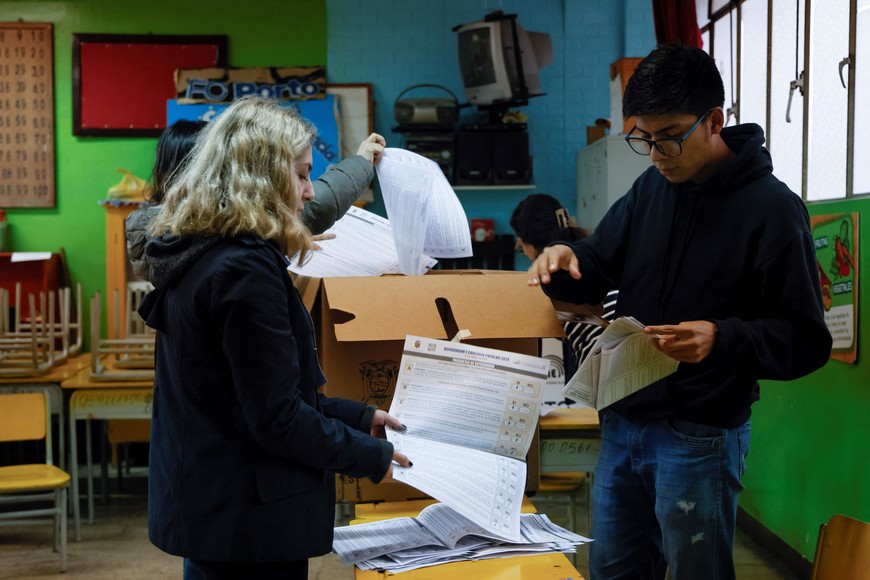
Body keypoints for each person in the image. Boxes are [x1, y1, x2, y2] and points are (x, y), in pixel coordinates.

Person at [527, 44, 831, 579]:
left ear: (715, 120)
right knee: (614, 571)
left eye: (669, 137)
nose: (657, 153)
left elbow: (806, 340)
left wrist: (722, 338)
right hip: (623, 421)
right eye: (642, 138)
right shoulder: (652, 189)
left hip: (699, 435)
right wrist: (566, 256)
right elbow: (600, 262)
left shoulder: (773, 212)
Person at [138, 96, 410, 579]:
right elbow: (276, 418)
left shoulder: (201, 252)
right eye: (303, 174)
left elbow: (247, 394)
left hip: (218, 509)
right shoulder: (243, 270)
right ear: (261, 176)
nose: (309, 192)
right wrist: (372, 457)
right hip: (246, 523)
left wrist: (358, 416)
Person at [126, 119, 386, 281]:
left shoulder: (168, 243)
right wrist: (362, 162)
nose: (309, 193)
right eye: (299, 175)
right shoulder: (244, 263)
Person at [509, 193, 618, 374]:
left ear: (529, 243)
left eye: (521, 243)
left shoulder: (552, 280)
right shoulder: (593, 256)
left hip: (603, 371)